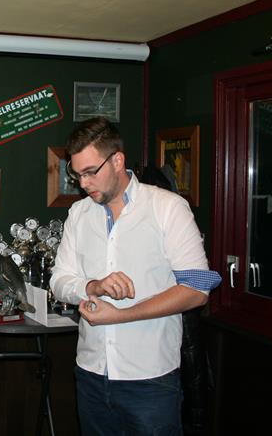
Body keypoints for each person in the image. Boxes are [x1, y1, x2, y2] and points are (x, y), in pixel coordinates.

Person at [49, 117, 220, 436]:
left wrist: (122, 315)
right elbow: (59, 281)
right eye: (77, 174)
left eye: (90, 172)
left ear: (117, 160)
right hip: (90, 374)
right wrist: (93, 286)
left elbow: (197, 289)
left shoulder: (168, 208)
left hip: (150, 380)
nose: (83, 184)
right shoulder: (79, 214)